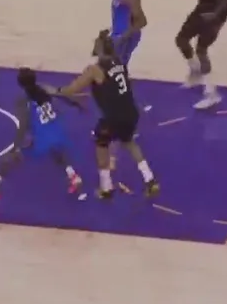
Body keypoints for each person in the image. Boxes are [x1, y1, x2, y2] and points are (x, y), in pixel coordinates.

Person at [58, 31, 159, 200]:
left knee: (101, 145)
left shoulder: (94, 69)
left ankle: (106, 188)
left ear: (99, 48)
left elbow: (72, 89)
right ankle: (150, 179)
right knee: (129, 142)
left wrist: (58, 91)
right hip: (130, 112)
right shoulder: (119, 63)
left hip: (113, 116)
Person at [0, 68, 83, 203]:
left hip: (41, 137)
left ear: (20, 83)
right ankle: (73, 176)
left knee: (7, 161)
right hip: (56, 129)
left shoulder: (23, 100)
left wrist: (15, 146)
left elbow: (23, 126)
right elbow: (61, 94)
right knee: (56, 151)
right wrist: (76, 103)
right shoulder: (43, 87)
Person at [110, 0, 147, 65]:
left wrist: (124, 37)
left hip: (124, 37)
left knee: (115, 67)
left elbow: (142, 21)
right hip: (118, 34)